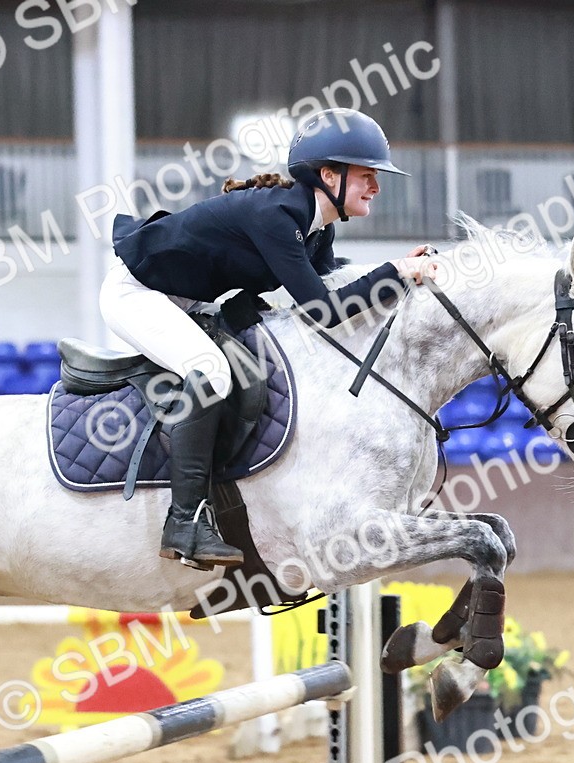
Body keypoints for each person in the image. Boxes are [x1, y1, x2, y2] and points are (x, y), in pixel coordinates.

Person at [102, 108, 436, 569]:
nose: (376, 186)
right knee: (213, 371)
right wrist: (396, 273)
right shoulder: (277, 217)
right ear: (328, 175)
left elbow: (332, 286)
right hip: (137, 294)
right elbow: (324, 312)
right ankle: (184, 522)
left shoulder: (316, 227)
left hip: (187, 300)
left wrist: (402, 270)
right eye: (366, 176)